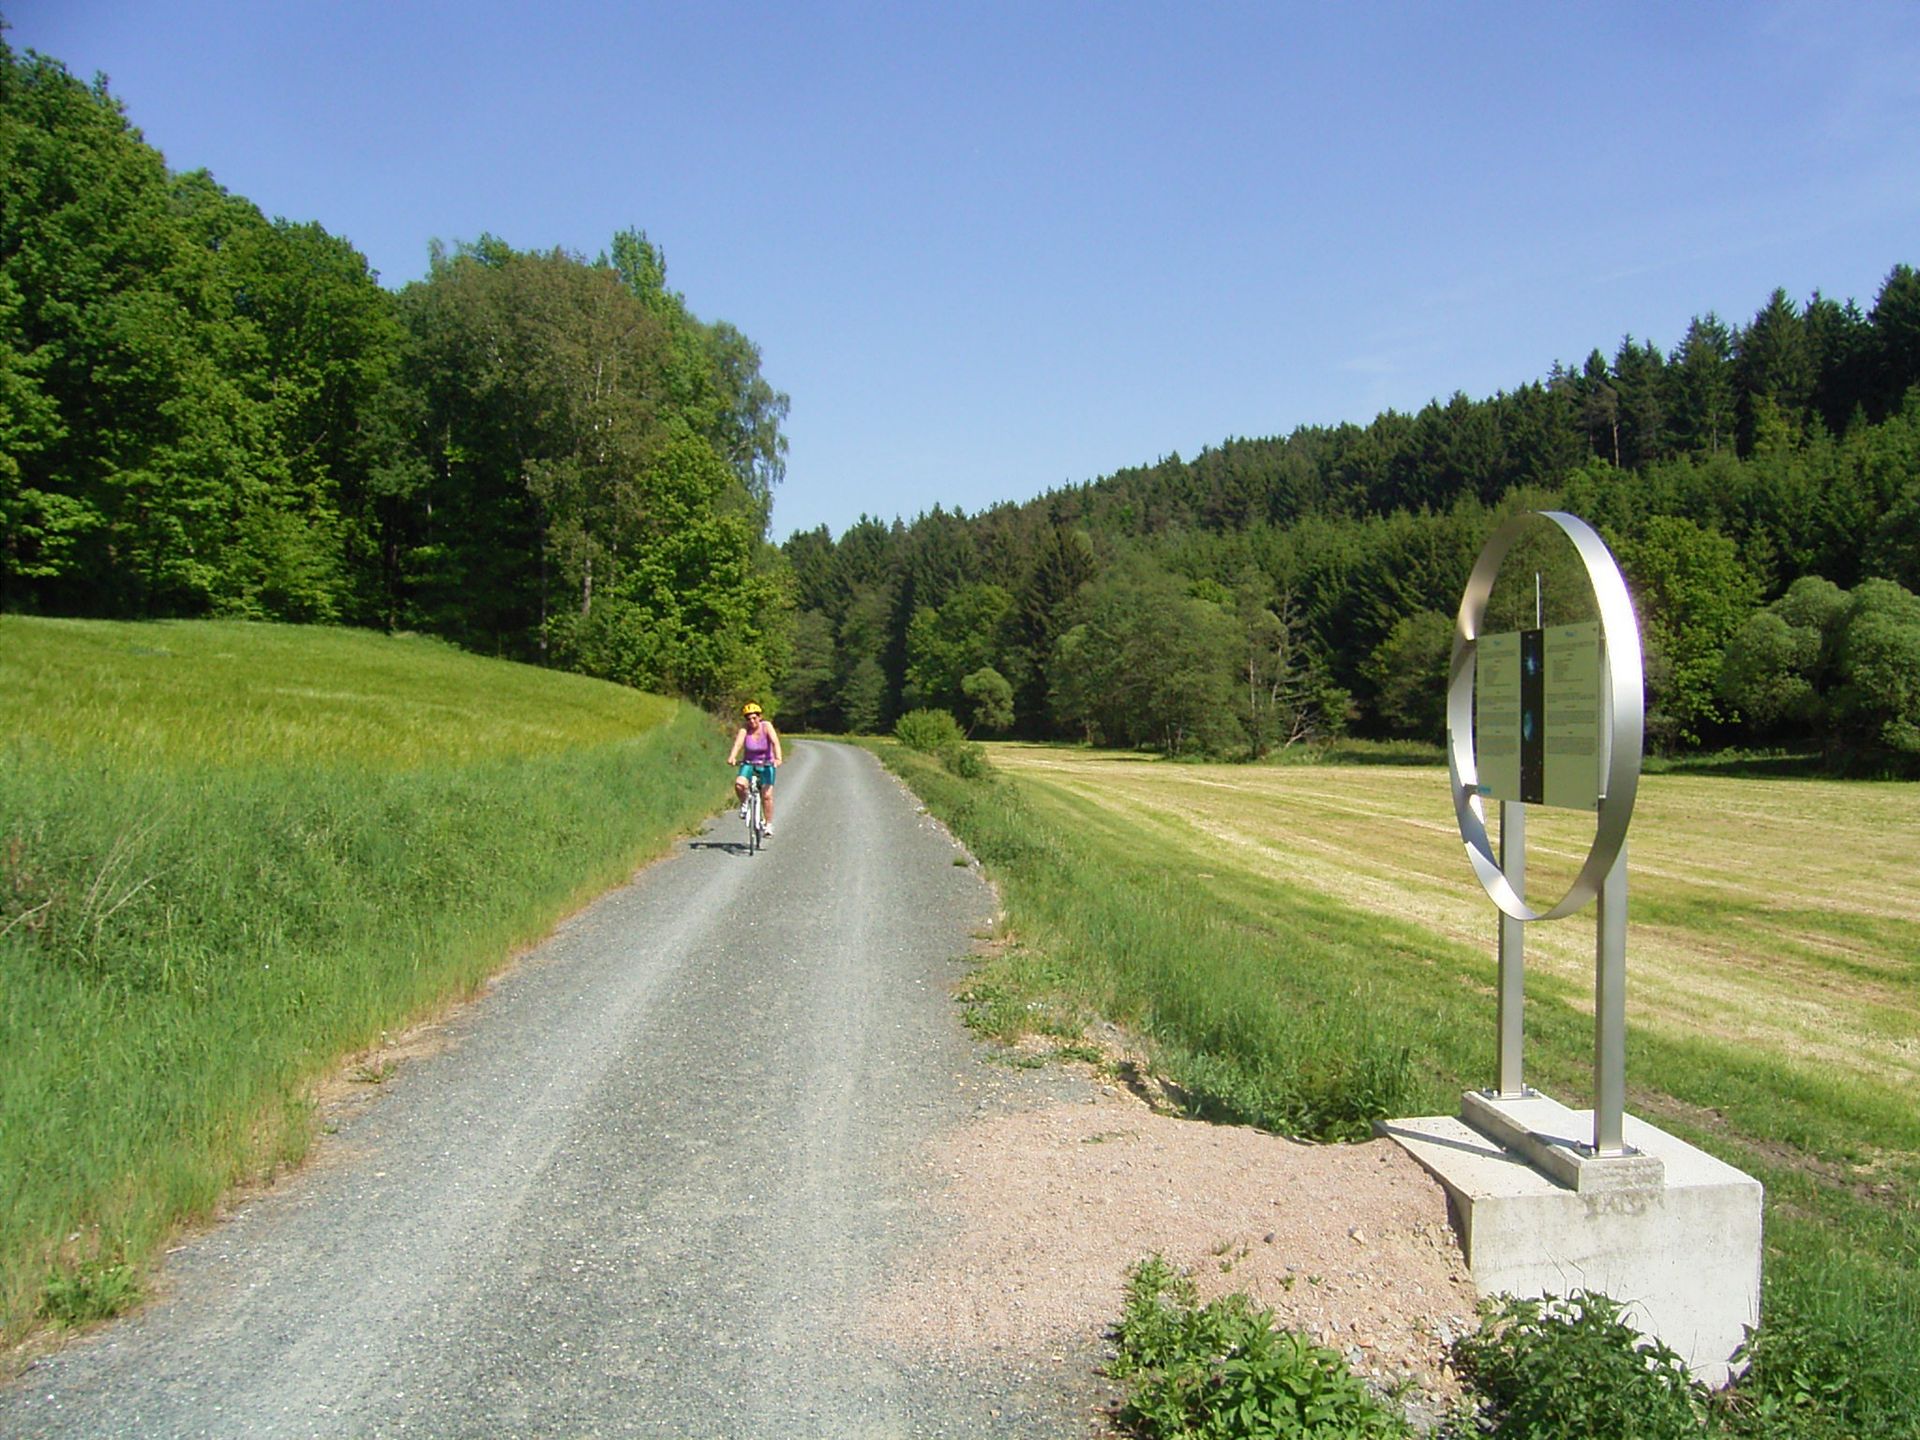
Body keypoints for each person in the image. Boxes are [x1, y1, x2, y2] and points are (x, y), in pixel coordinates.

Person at [726, 702, 783, 835]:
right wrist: (732, 757)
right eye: (748, 718)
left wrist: (778, 758)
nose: (752, 721)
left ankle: (768, 824)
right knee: (739, 784)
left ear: (760, 717)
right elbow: (738, 744)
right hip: (749, 763)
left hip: (766, 764)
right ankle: (744, 803)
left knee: (767, 795)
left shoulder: (766, 726)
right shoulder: (744, 730)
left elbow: (775, 742)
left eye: (754, 718)